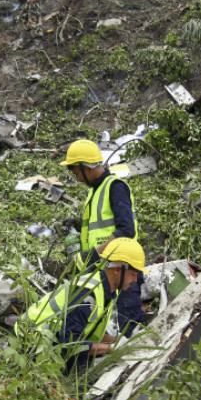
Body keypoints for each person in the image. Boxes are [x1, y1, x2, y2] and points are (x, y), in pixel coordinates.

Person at [16, 237, 145, 371]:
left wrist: (119, 342)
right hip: (30, 343)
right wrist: (111, 348)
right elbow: (70, 343)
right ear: (117, 270)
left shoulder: (107, 291)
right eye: (133, 274)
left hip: (49, 341)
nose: (135, 280)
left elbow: (90, 333)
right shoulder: (87, 294)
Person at [60, 139, 144, 335]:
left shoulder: (114, 187)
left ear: (86, 167)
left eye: (77, 173)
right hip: (108, 269)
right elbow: (101, 226)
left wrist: (94, 255)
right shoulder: (95, 191)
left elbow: (126, 230)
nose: (77, 179)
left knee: (129, 326)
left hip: (122, 267)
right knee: (110, 322)